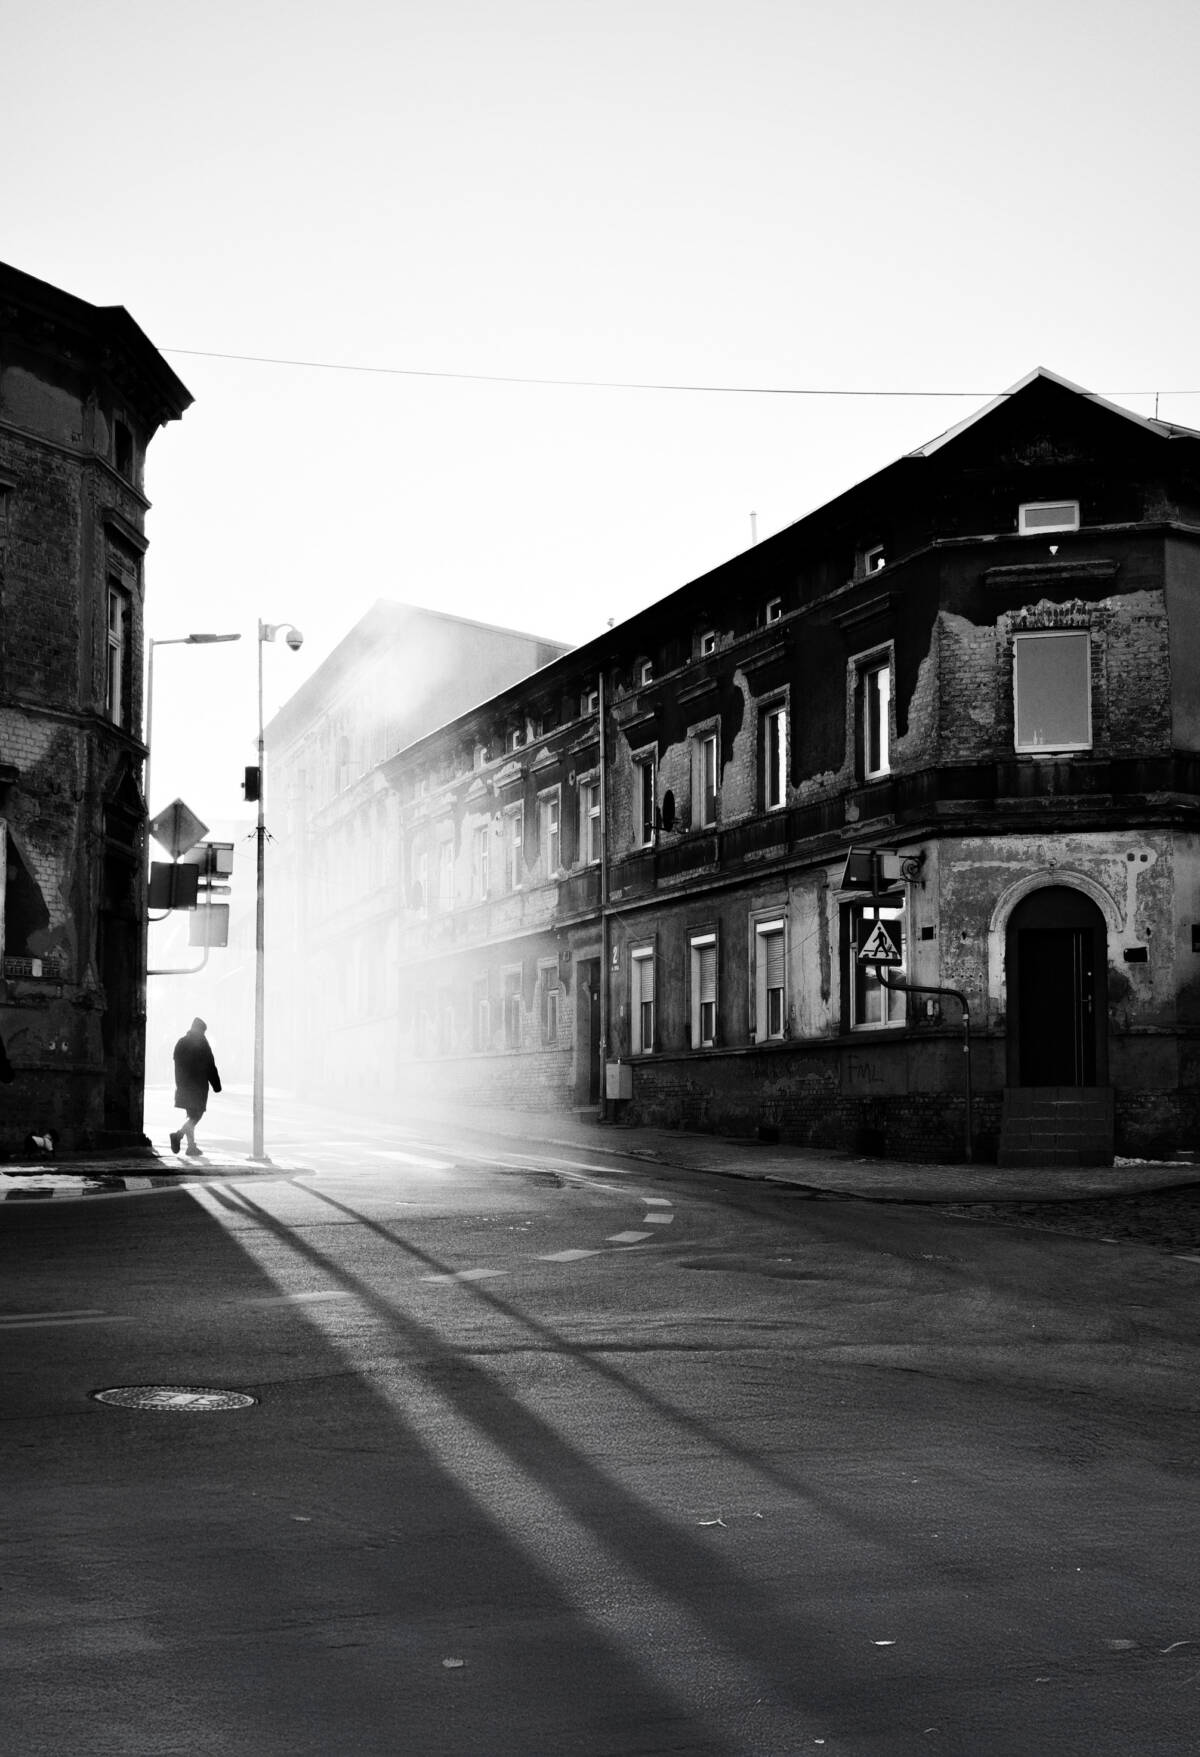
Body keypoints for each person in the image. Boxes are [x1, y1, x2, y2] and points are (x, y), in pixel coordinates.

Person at [170, 1017, 221, 1156]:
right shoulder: (202, 1044)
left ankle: (191, 1147)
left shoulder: (181, 1042)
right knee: (196, 1115)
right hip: (198, 1087)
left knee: (191, 1115)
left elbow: (177, 1065)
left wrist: (180, 1084)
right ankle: (178, 1135)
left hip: (183, 1085)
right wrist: (216, 1085)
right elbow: (210, 1066)